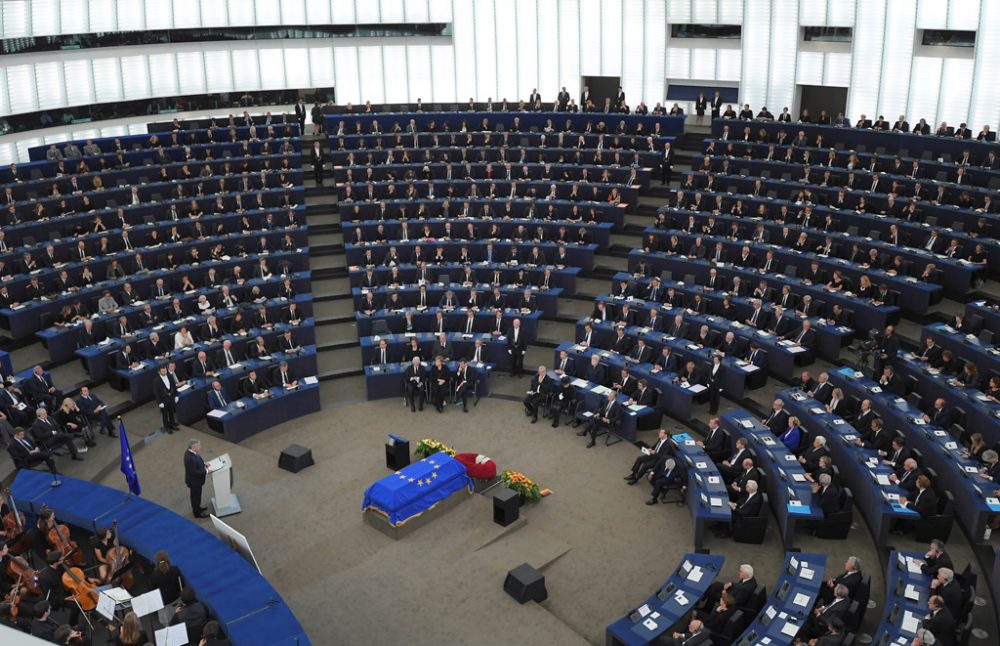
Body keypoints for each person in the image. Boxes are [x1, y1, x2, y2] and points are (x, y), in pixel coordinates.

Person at [150, 550, 184, 626]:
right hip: (178, 601)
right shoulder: (175, 570)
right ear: (168, 560)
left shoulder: (154, 577)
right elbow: (182, 584)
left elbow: (154, 592)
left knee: (169, 624)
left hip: (166, 606)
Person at [184, 440, 209, 519]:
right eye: (199, 446)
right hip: (194, 482)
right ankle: (197, 513)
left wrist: (204, 463)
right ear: (194, 447)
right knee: (195, 497)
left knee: (197, 497)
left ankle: (198, 508)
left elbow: (197, 460)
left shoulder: (191, 452)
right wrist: (207, 471)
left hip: (196, 481)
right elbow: (194, 472)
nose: (200, 447)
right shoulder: (190, 458)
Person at [154, 366, 179, 433]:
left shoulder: (170, 376)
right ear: (159, 372)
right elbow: (156, 393)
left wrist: (176, 395)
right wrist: (159, 402)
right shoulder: (157, 380)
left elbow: (174, 386)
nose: (165, 372)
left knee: (171, 412)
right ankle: (167, 427)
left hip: (171, 398)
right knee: (165, 414)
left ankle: (172, 424)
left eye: (165, 371)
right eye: (163, 371)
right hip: (163, 400)